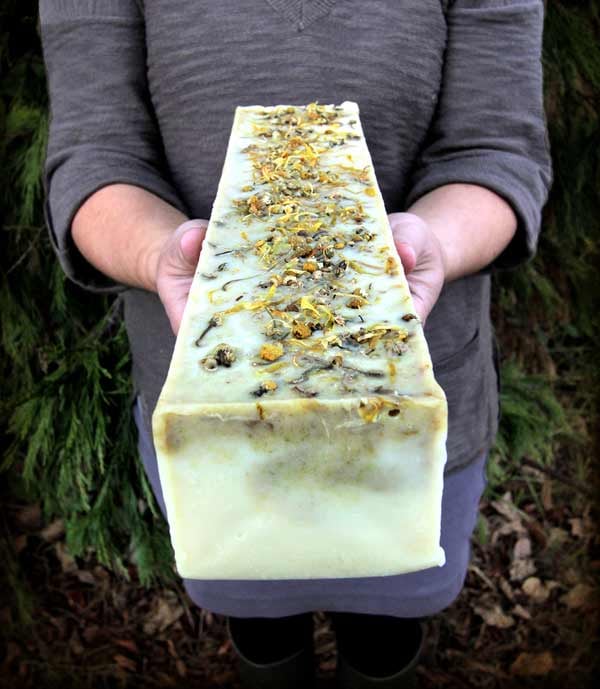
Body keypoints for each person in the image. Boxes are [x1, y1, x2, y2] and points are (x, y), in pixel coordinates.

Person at [40, 0, 552, 686]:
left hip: (412, 413)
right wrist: (162, 251)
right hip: (211, 422)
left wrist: (431, 241)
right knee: (254, 598)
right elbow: (96, 155)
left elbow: (495, 149)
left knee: (386, 611)